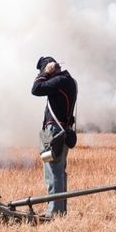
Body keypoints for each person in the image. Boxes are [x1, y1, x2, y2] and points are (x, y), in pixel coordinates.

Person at [31, 56, 78, 216]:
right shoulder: (69, 80)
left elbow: (35, 89)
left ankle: (55, 212)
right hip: (62, 130)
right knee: (58, 170)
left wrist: (44, 73)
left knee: (53, 171)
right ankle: (60, 210)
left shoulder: (59, 81)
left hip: (53, 131)